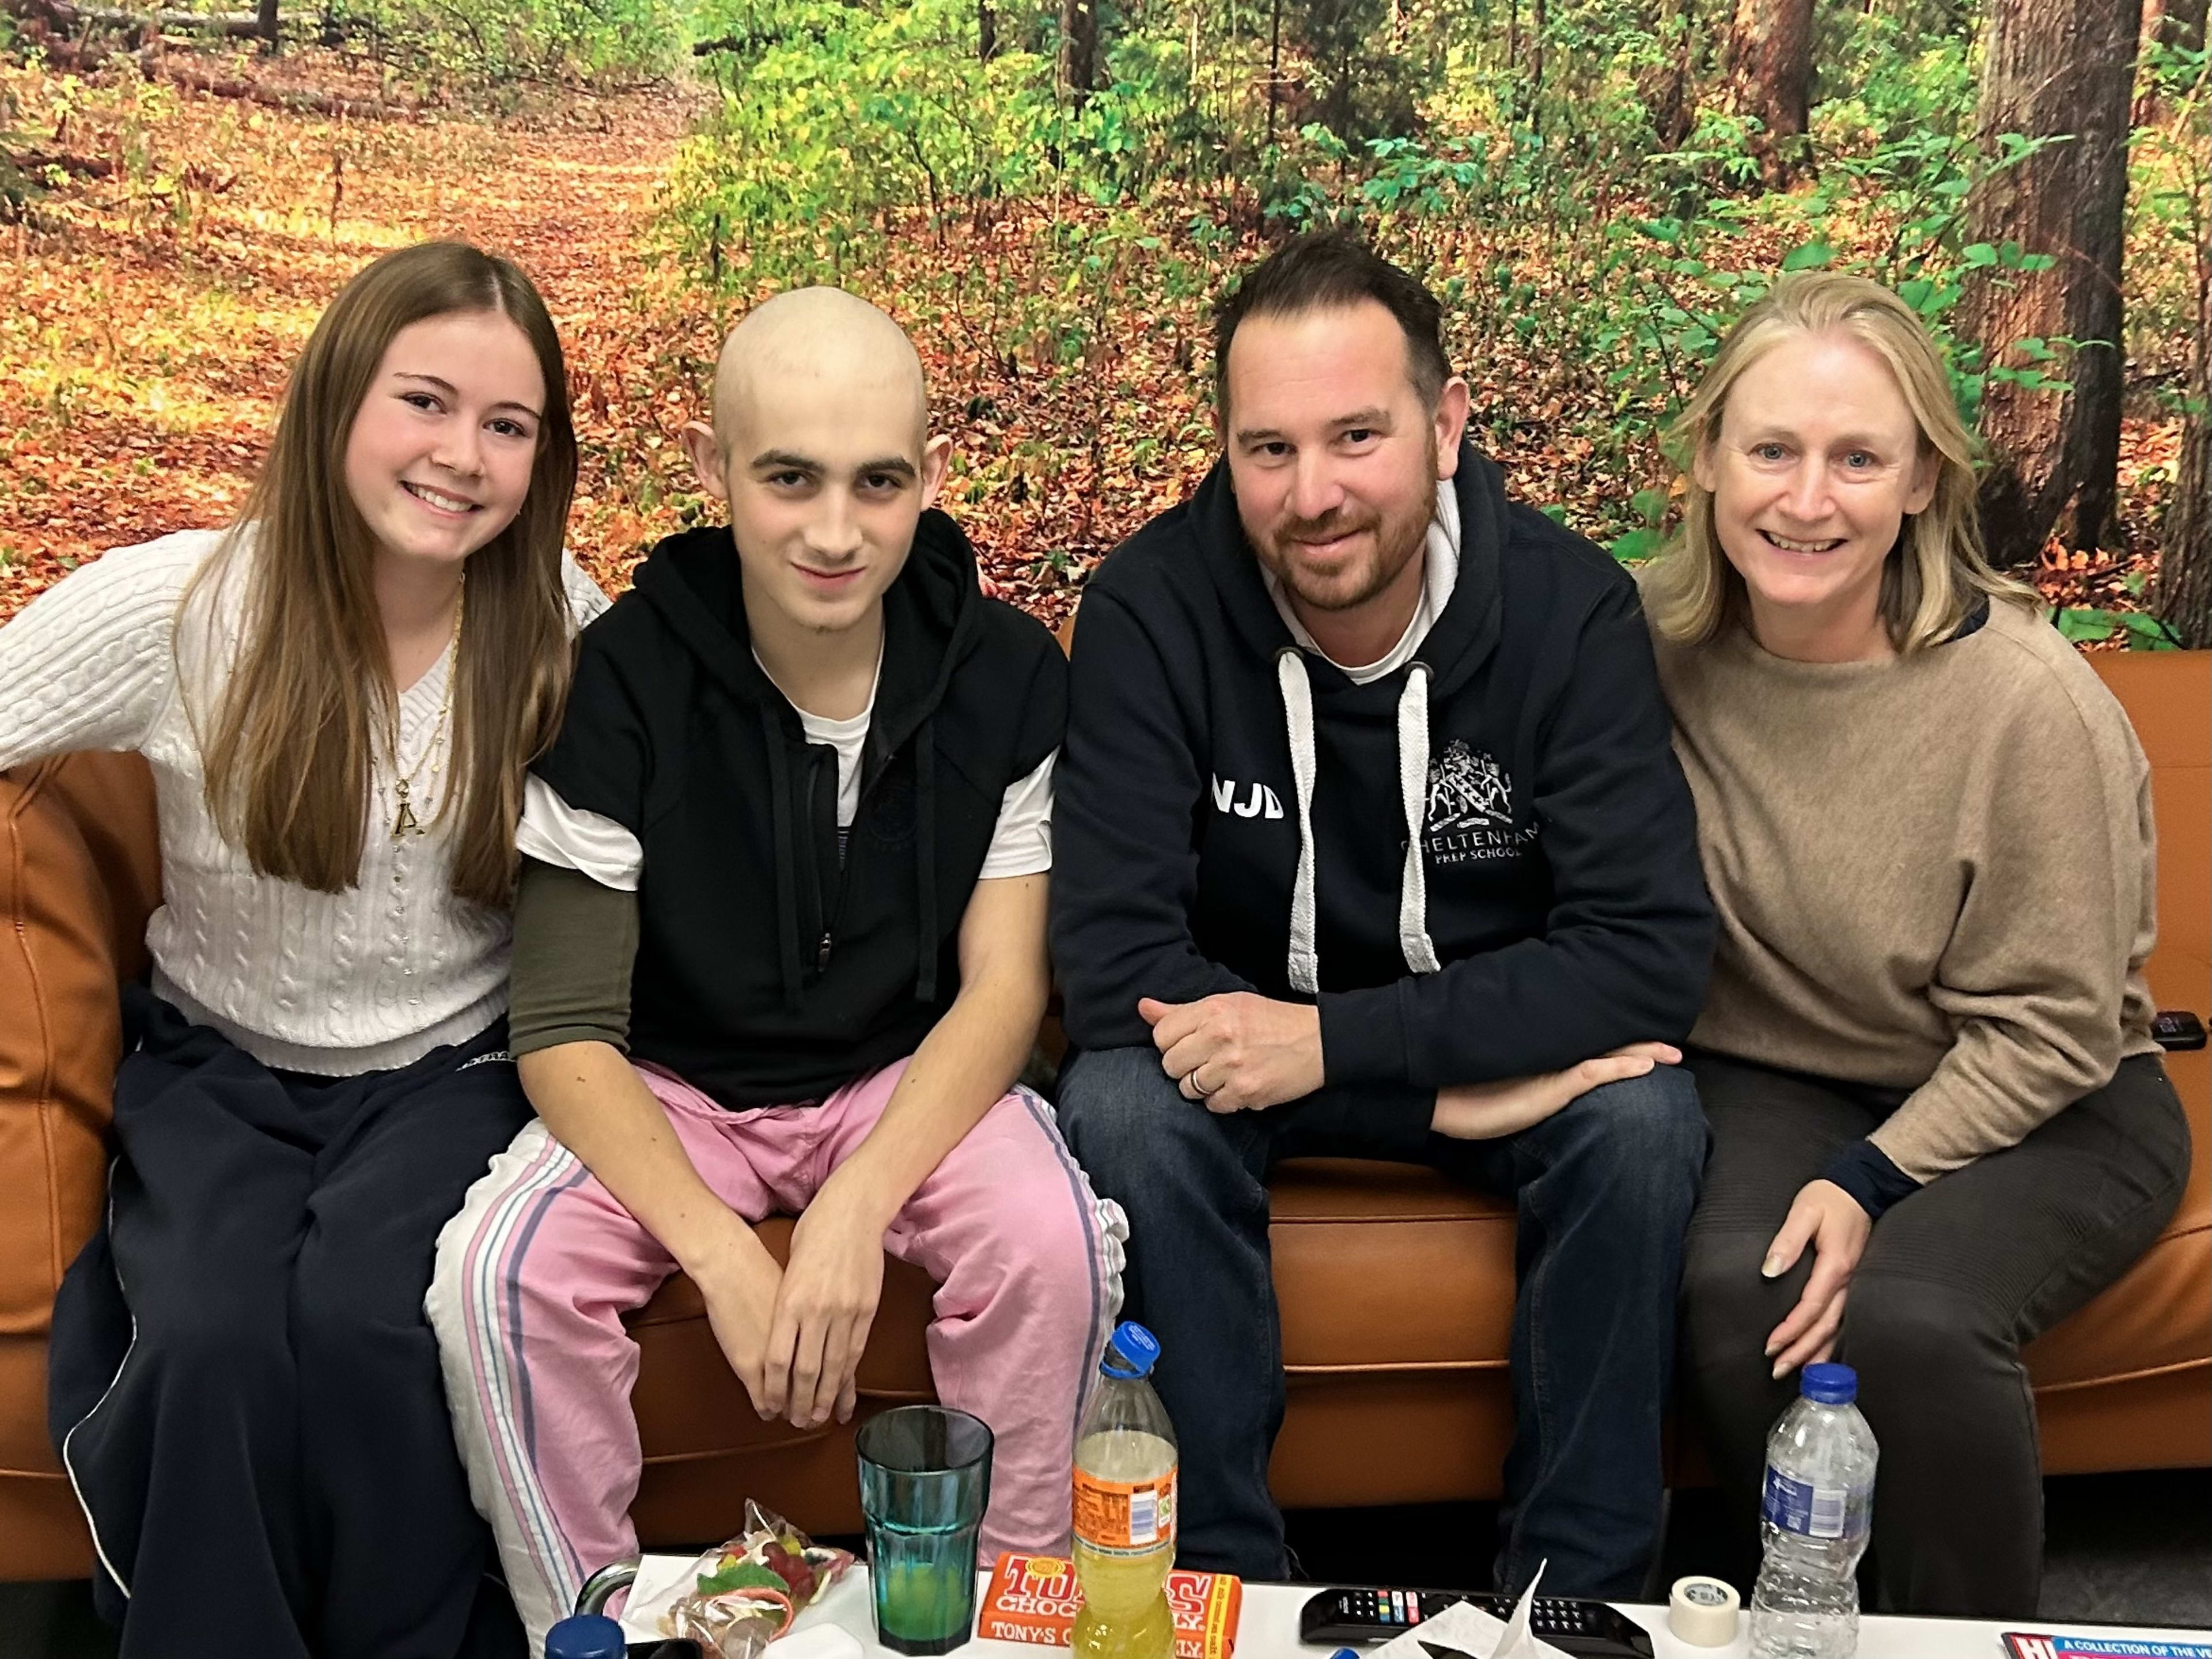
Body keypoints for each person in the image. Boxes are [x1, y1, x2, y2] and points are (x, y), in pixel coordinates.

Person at [428, 286, 1124, 1647]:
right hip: (674, 1082)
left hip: (901, 1076)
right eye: (790, 478)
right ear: (714, 469)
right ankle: (595, 1625)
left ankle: (1010, 1620)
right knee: (494, 1279)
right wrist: (722, 1254)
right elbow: (563, 1025)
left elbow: (1003, 990)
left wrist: (858, 1206)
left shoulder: (1006, 678)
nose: (834, 532)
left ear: (931, 476)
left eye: (878, 483)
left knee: (1056, 1244)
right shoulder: (618, 682)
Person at [1050, 229, 1715, 1597]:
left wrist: (1336, 1046)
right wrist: (1428, 1101)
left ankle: (1574, 1590)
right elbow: (1112, 966)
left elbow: (1647, 956)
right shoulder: (1149, 610)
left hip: (1451, 1049)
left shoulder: (1569, 612)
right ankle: (1224, 1582)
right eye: (1270, 449)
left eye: (1357, 436)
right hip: (1264, 1068)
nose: (1315, 495)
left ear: (1446, 426)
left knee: (1644, 1122)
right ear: (1227, 449)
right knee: (1120, 1104)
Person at [3, 241, 608, 1658]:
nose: (461, 456)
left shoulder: (556, 622)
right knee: (204, 1335)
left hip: (457, 1068)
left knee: (370, 1326)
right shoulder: (183, 606)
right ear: (338, 396)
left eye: (508, 425)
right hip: (219, 1066)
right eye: (425, 402)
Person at [1644, 271, 2192, 1616]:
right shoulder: (1647, 651)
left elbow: (2058, 1027)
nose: (1806, 500)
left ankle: (1963, 1637)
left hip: (2053, 1095)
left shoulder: (2025, 703)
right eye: (1772, 450)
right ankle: (1805, 1622)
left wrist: (1870, 1179)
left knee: (1908, 1319)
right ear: (1709, 459)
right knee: (1738, 1294)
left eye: (1857, 460)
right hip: (1785, 1068)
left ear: (1921, 485)